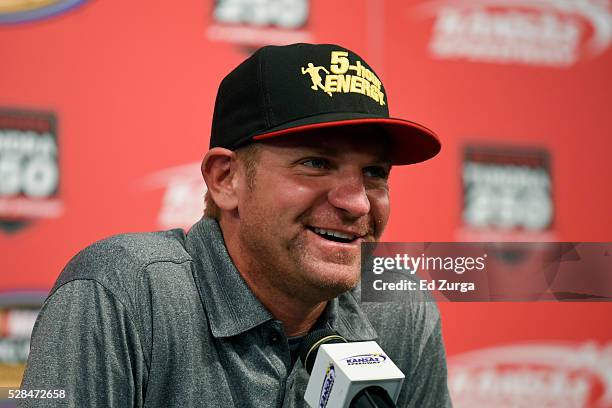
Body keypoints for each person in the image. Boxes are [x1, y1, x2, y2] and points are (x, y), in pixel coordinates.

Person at [20, 43, 451, 407]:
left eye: (375, 173)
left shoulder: (399, 308)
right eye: (316, 163)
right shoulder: (117, 293)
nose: (356, 203)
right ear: (226, 179)